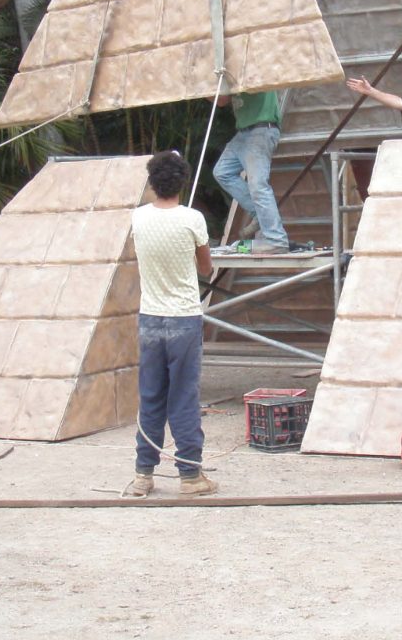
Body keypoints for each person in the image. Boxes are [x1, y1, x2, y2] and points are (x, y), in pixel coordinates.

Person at [128, 151, 217, 498]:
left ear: (152, 184)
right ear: (183, 183)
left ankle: (143, 475)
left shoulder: (138, 218)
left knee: (151, 395)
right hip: (183, 318)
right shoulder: (192, 219)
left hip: (150, 317)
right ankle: (190, 476)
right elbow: (206, 269)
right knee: (183, 397)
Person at [213, 88, 303, 252]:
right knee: (222, 171)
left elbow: (255, 83)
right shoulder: (230, 73)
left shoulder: (252, 65)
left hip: (261, 129)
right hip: (243, 132)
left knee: (258, 184)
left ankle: (276, 239)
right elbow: (221, 101)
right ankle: (259, 215)